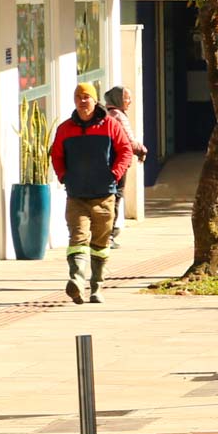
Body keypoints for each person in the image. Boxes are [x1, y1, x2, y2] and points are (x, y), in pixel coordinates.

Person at [49, 82, 135, 304]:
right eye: (78, 97)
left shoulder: (110, 125)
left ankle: (97, 285)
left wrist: (114, 174)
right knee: (78, 238)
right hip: (76, 196)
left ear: (95, 100)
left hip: (103, 196)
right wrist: (64, 176)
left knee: (100, 243)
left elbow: (125, 150)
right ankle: (76, 281)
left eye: (86, 97)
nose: (82, 101)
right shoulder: (65, 129)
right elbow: (56, 155)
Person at [100, 86, 148, 248]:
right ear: (118, 99)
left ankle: (107, 232)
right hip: (118, 164)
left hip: (105, 163)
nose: (130, 101)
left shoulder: (105, 114)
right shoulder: (118, 116)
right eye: (127, 98)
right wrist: (142, 150)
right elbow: (130, 141)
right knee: (116, 197)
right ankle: (109, 234)